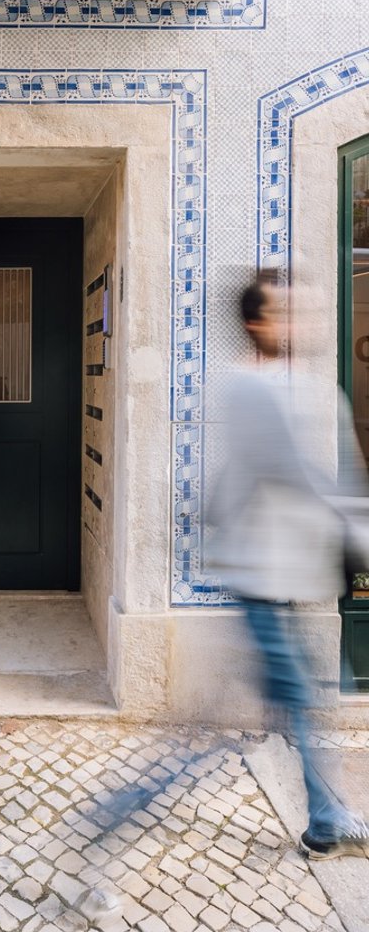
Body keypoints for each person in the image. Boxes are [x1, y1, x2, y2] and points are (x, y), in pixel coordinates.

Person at [206, 272, 369, 860]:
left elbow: (252, 476)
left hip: (279, 576)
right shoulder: (254, 388)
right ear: (255, 323)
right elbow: (291, 473)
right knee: (286, 707)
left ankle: (328, 821)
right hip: (263, 579)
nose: (293, 322)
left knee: (299, 701)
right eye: (281, 313)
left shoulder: (288, 385)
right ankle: (112, 817)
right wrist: (358, 533)